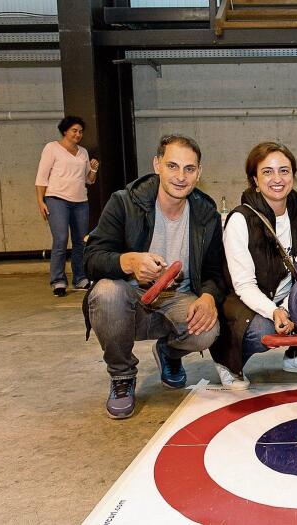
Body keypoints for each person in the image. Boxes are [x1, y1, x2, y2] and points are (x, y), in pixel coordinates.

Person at [83, 134, 224, 419]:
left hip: (177, 297)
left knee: (208, 329)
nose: (181, 177)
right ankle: (122, 376)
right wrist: (128, 261)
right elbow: (90, 259)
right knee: (106, 293)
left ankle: (169, 353)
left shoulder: (206, 212)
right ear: (157, 165)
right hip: (128, 296)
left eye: (189, 169)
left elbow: (215, 270)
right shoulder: (124, 203)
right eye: (172, 166)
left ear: (199, 173)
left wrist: (208, 296)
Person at [211, 141, 297, 389]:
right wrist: (275, 311)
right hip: (247, 299)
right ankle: (228, 361)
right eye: (267, 171)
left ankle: (296, 356)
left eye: (284, 170)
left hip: (291, 295)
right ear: (254, 178)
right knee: (262, 329)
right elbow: (243, 285)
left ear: (293, 174)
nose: (277, 179)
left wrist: (290, 306)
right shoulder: (240, 219)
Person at [35, 116, 100, 296]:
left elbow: (89, 180)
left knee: (81, 241)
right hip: (57, 200)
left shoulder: (83, 152)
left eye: (80, 131)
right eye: (74, 131)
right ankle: (58, 281)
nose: (78, 134)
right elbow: (41, 177)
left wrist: (93, 169)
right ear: (65, 131)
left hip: (80, 201)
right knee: (61, 239)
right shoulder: (52, 148)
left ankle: (80, 277)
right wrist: (41, 201)